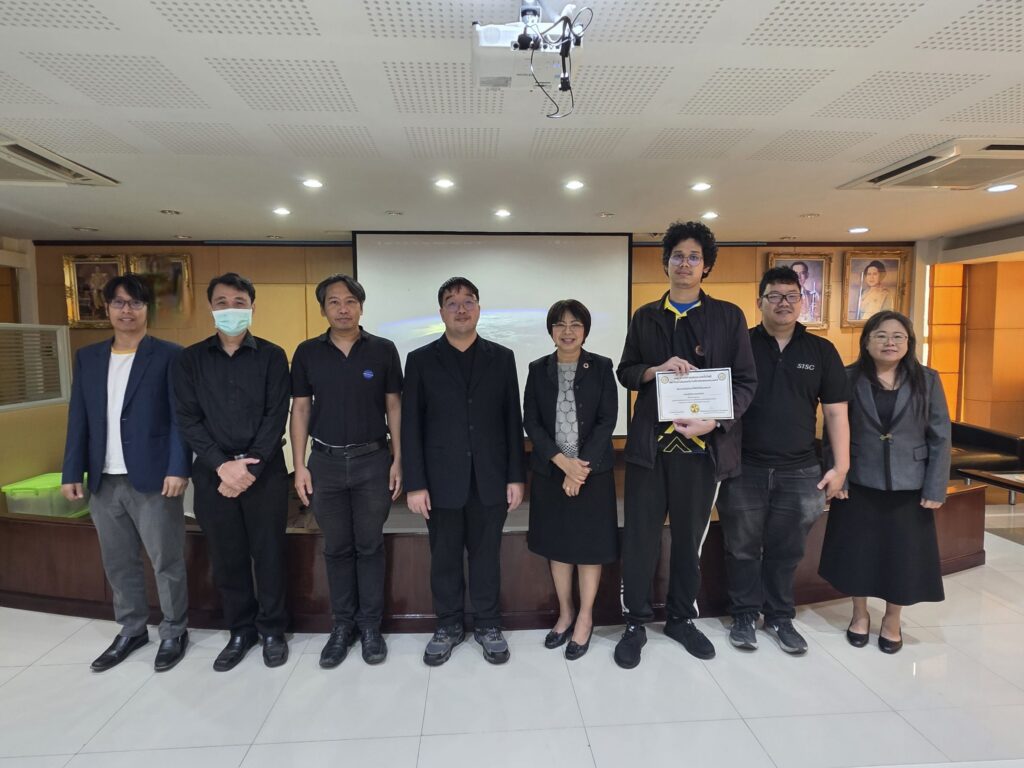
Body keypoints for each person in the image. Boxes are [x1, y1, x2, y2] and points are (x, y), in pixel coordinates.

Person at [614, 221, 757, 668]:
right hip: (649, 451)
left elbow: (746, 382)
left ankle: (680, 618)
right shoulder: (645, 316)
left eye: (694, 257)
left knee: (688, 541)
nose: (685, 263)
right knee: (640, 539)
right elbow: (625, 371)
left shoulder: (728, 317)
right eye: (677, 256)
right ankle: (635, 623)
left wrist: (715, 421)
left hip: (701, 453)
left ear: (706, 266)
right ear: (666, 263)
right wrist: (653, 370)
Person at [60, 274, 191, 673]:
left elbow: (180, 418)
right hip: (103, 478)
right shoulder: (88, 357)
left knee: (165, 558)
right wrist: (71, 471)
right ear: (107, 309)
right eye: (118, 303)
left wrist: (178, 467)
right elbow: (78, 417)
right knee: (118, 561)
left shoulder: (169, 355)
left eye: (135, 303)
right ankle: (132, 628)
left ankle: (174, 629)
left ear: (147, 309)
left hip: (154, 476)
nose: (127, 311)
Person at [717, 266, 850, 655]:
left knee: (787, 550)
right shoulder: (739, 345)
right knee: (741, 547)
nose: (783, 303)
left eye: (792, 296)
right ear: (759, 301)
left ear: (802, 301)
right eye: (774, 296)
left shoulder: (821, 350)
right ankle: (744, 614)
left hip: (801, 470)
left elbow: (837, 412)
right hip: (743, 467)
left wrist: (841, 467)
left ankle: (779, 616)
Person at [402, 277, 526, 666]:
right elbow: (411, 426)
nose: (461, 309)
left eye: (468, 301)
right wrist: (415, 484)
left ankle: (488, 624)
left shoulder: (501, 357)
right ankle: (449, 625)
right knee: (444, 557)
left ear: (478, 309)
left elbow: (512, 420)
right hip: (440, 481)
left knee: (487, 556)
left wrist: (515, 476)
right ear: (441, 312)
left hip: (490, 477)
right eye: (452, 303)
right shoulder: (420, 360)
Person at [174, 272, 291, 671]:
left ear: (252, 307)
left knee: (270, 554)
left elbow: (276, 416)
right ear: (211, 308)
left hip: (265, 472)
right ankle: (240, 630)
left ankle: (273, 629)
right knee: (227, 557)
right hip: (213, 474)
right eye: (222, 303)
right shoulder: (190, 359)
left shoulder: (273, 356)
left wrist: (248, 468)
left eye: (239, 303)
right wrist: (223, 466)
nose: (230, 310)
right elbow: (188, 419)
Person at [819, 311, 951, 653]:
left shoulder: (928, 379)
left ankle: (893, 620)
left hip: (910, 485)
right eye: (880, 335)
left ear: (909, 343)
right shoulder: (847, 377)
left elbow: (940, 437)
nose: (889, 342)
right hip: (859, 481)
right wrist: (838, 475)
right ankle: (859, 614)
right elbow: (832, 429)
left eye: (897, 336)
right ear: (866, 341)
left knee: (902, 557)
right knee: (858, 554)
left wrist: (935, 486)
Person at [290, 274, 403, 668]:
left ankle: (370, 627)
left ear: (361, 307)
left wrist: (399, 459)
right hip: (325, 463)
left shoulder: (383, 349)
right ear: (323, 309)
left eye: (350, 301)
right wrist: (299, 466)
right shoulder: (307, 352)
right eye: (334, 302)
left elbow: (394, 406)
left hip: (373, 461)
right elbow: (300, 408)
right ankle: (342, 626)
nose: (343, 309)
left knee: (370, 546)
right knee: (336, 548)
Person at [523, 299, 618, 661]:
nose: (567, 331)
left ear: (585, 330)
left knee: (589, 548)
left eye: (575, 324)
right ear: (551, 330)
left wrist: (580, 469)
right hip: (551, 472)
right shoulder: (537, 369)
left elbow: (607, 420)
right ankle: (565, 613)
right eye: (560, 324)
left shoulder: (602, 367)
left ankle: (585, 617)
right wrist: (563, 464)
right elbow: (532, 421)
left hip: (593, 474)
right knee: (558, 546)